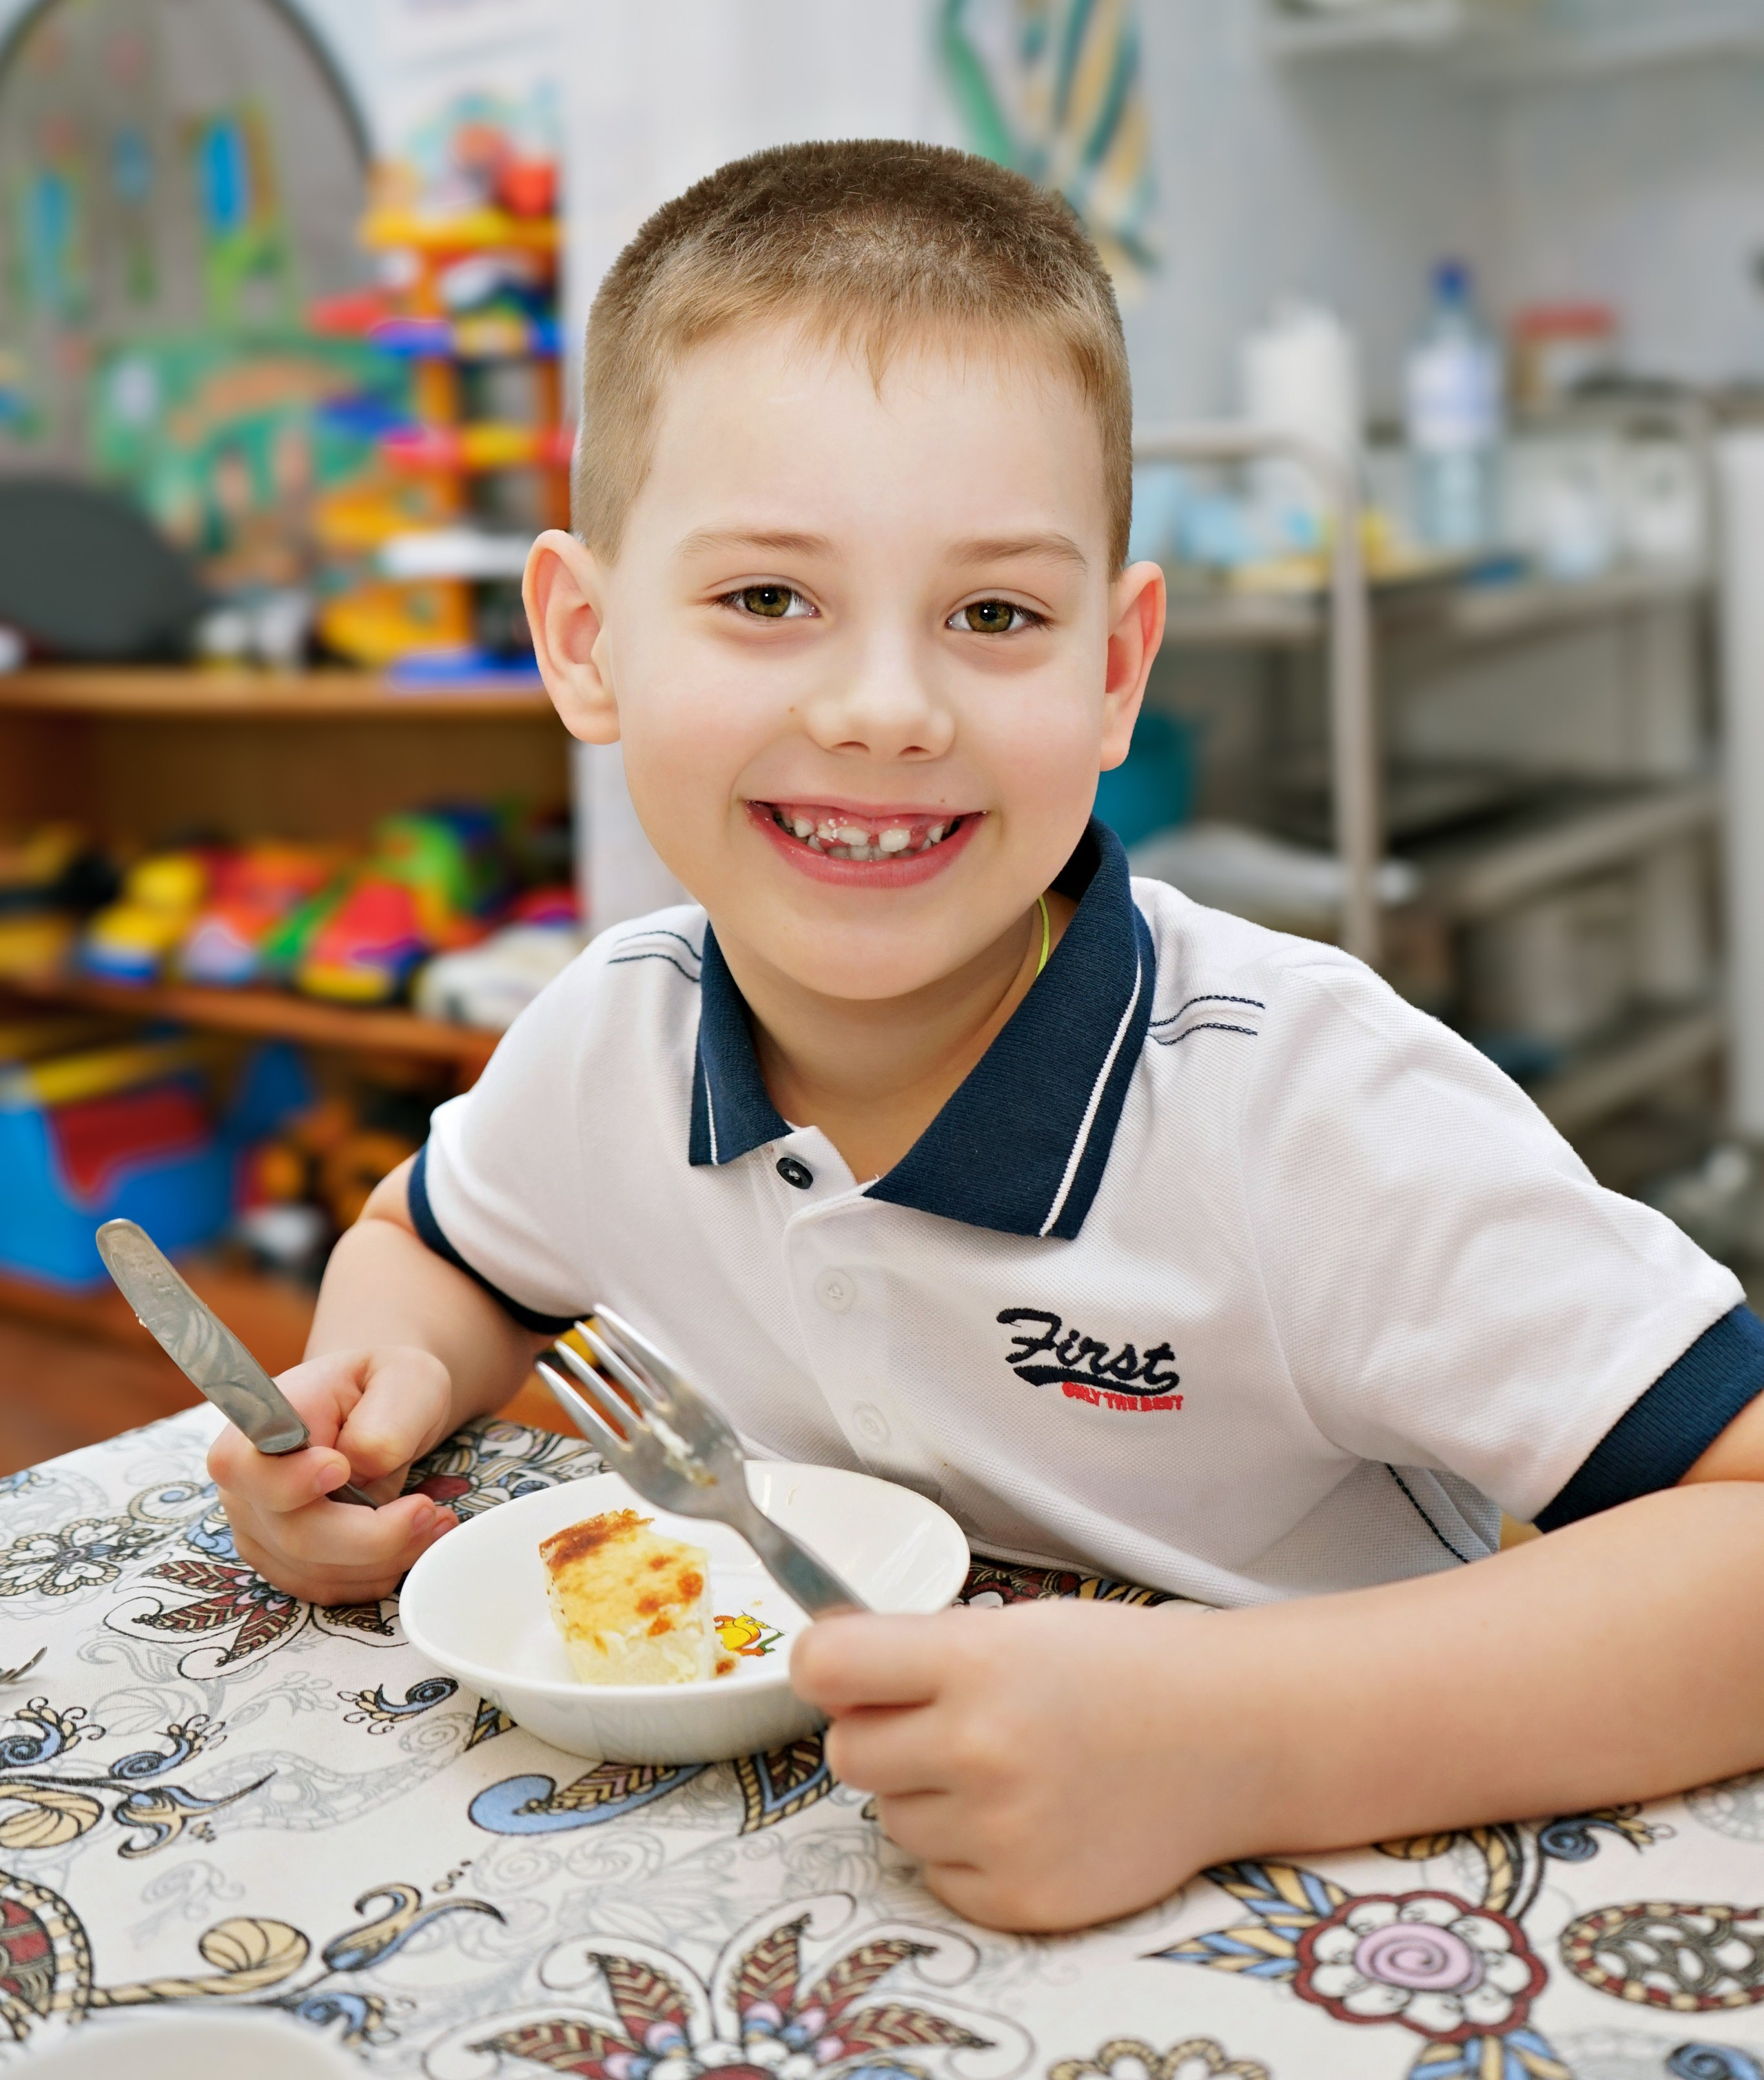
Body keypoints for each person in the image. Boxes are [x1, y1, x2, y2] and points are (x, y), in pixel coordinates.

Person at [210, 140, 1764, 1934]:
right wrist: (366, 1397)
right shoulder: (611, 1038)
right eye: (768, 598)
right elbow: (443, 1245)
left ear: (1115, 671)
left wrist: (1237, 1745)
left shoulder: (1313, 1111)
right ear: (584, 639)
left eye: (996, 616)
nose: (884, 707)